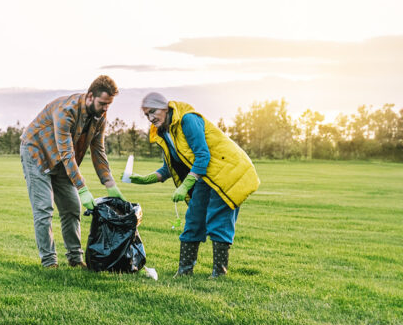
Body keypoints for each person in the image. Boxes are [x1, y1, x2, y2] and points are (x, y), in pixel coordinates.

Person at [128, 92, 259, 278]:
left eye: (153, 111)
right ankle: (184, 271)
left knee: (218, 219)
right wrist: (146, 178)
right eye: (146, 115)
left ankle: (219, 273)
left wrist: (186, 184)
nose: (150, 118)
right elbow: (171, 166)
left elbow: (202, 155)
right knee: (194, 219)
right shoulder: (166, 132)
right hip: (206, 176)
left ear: (165, 107)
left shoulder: (187, 120)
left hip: (227, 171)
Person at [19, 75, 126, 269]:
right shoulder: (65, 111)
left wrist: (110, 184)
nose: (105, 109)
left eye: (109, 105)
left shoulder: (99, 117)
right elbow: (67, 153)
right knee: (44, 209)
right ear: (90, 96)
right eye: (103, 103)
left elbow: (98, 151)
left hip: (61, 161)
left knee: (72, 208)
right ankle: (49, 262)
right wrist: (82, 188)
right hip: (37, 153)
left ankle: (75, 259)